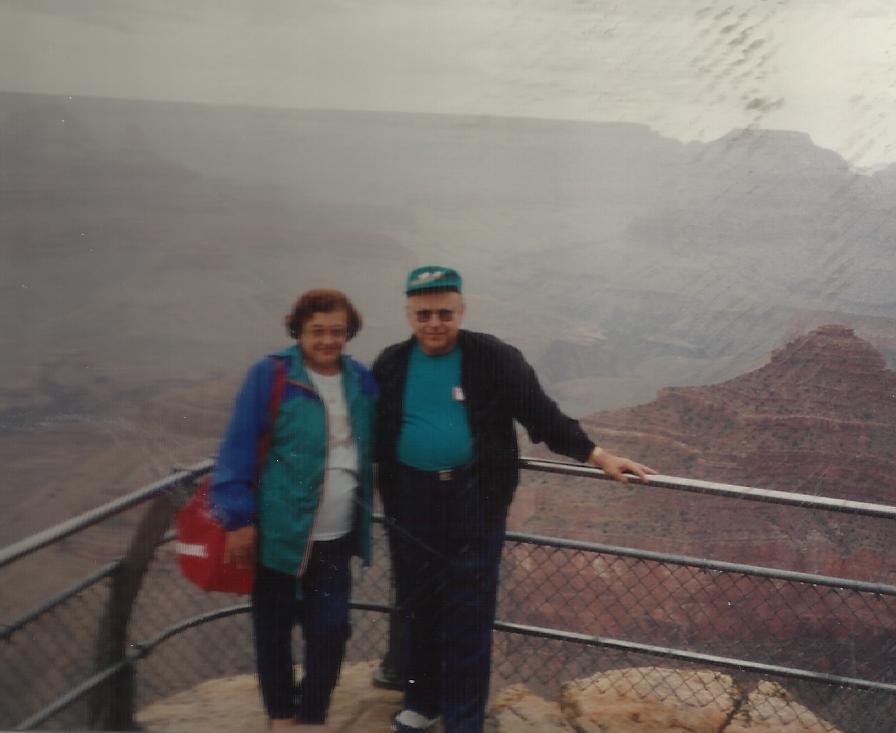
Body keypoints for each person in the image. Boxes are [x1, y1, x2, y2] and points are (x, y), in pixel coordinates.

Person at [373, 266, 656, 733]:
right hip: (411, 502)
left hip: (473, 499)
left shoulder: (492, 357)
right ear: (409, 314)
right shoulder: (392, 363)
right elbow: (364, 428)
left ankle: (463, 721)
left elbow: (540, 415)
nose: (435, 323)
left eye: (445, 313)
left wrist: (597, 454)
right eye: (424, 314)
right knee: (417, 604)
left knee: (468, 611)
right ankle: (422, 702)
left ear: (461, 311)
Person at [210, 289, 377, 731]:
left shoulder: (359, 380)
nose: (327, 340)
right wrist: (237, 519)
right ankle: (281, 716)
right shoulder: (272, 376)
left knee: (331, 632)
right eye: (317, 331)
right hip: (280, 533)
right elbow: (238, 447)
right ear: (298, 331)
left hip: (336, 537)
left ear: (348, 332)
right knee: (274, 630)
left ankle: (312, 715)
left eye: (337, 331)